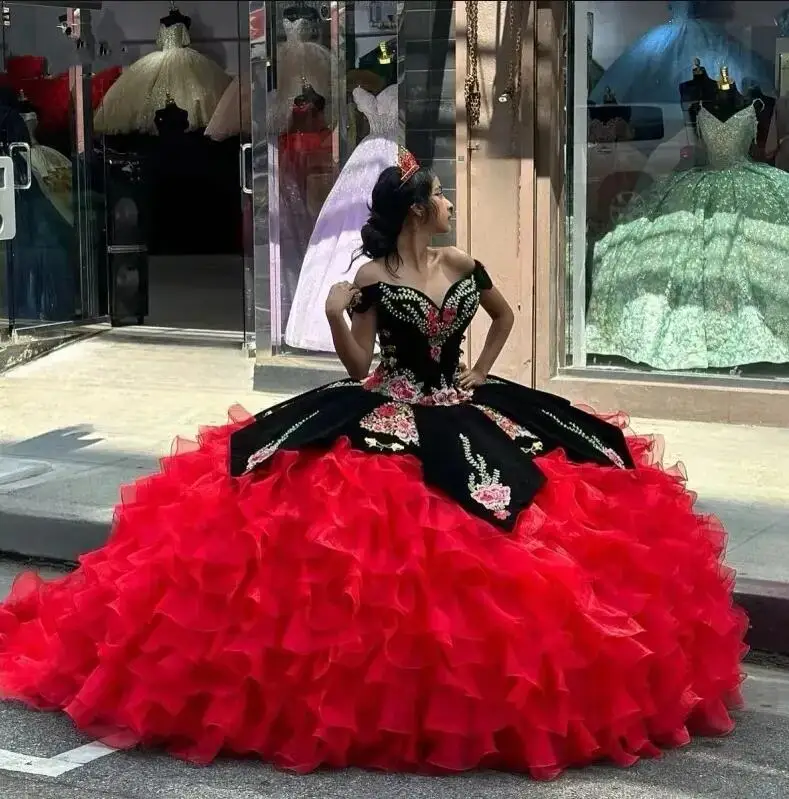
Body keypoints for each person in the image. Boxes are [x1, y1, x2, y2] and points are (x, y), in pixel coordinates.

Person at [0, 149, 746, 779]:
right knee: (340, 540)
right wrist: (332, 316)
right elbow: (360, 367)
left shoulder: (462, 262)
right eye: (439, 194)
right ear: (416, 210)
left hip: (458, 403)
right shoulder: (367, 279)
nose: (449, 200)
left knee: (543, 497)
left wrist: (482, 372)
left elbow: (505, 316)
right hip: (384, 406)